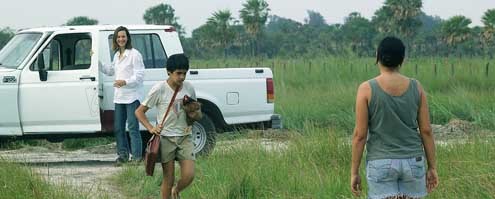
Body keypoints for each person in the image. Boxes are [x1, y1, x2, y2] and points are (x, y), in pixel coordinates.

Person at [350, 37, 438, 199]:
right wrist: (432, 167)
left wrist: (354, 172)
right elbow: (426, 130)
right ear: (402, 59)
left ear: (377, 57)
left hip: (380, 162)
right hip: (413, 161)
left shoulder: (366, 89)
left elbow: (360, 135)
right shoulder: (416, 87)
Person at [135, 54, 196, 199]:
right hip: (166, 138)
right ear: (169, 72)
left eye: (184, 73)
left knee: (189, 175)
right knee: (168, 179)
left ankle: (177, 190)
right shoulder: (159, 89)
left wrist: (193, 112)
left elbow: (194, 109)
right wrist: (151, 128)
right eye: (178, 73)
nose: (182, 77)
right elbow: (139, 112)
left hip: (185, 136)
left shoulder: (189, 87)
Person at [100, 26, 145, 165]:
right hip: (119, 97)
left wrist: (125, 82)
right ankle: (123, 156)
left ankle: (137, 158)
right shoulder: (116, 55)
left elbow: (139, 76)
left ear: (127, 38)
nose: (121, 39)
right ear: (115, 39)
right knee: (119, 128)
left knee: (132, 127)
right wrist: (97, 62)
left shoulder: (134, 54)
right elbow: (110, 71)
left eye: (123, 36)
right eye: (118, 37)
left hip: (132, 96)